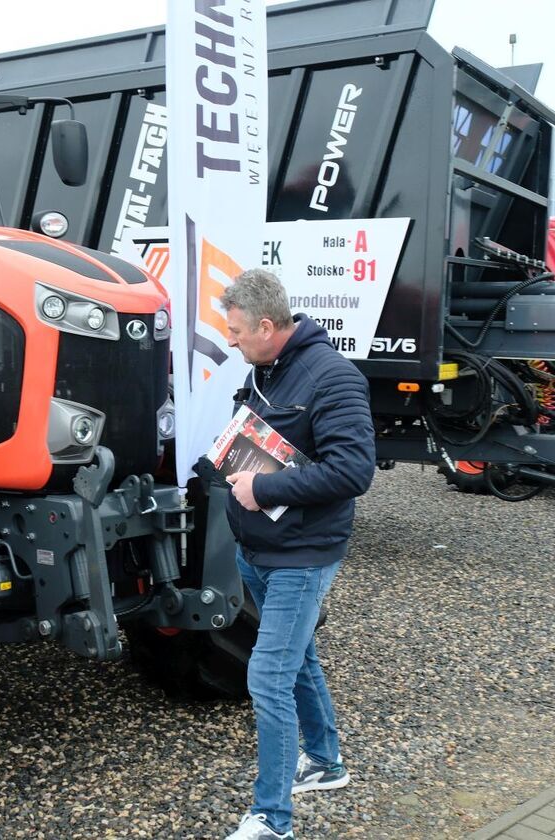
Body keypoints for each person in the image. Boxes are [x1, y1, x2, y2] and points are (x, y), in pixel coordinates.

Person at [218, 269, 376, 840]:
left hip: (301, 557)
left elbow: (354, 471)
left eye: (235, 330)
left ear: (266, 325)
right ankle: (326, 763)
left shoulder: (332, 378)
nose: (229, 340)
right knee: (297, 657)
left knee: (267, 677)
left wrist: (262, 490)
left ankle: (272, 819)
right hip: (256, 548)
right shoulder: (265, 370)